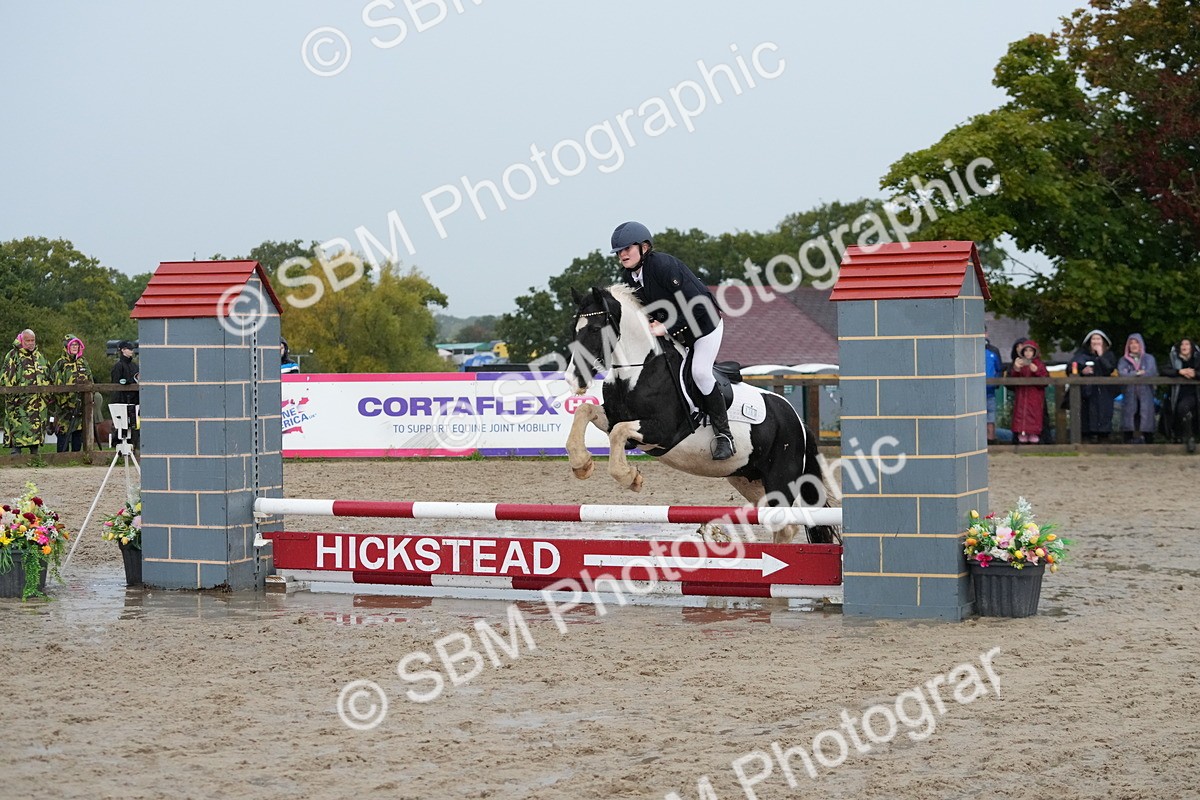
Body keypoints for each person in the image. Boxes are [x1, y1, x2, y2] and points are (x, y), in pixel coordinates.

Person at [611, 221, 733, 460]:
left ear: (644, 247)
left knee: (699, 372)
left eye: (627, 249)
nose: (622, 254)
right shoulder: (631, 275)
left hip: (704, 327)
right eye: (619, 251)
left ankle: (724, 435)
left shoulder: (664, 266)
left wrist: (665, 326)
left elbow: (698, 304)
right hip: (675, 332)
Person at [1, 329, 51, 455]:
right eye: (27, 340)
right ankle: (16, 455)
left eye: (32, 340)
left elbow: (49, 376)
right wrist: (13, 398)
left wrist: (48, 395)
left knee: (35, 432)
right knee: (19, 429)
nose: (30, 343)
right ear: (22, 340)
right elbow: (5, 378)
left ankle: (35, 454)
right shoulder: (13, 355)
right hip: (19, 404)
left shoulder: (40, 357)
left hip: (38, 404)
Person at [1069, 329, 1119, 443]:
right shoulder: (1081, 355)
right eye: (1093, 339)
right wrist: (1082, 371)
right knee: (1086, 418)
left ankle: (1104, 441)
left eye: (1098, 339)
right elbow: (1071, 367)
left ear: (1103, 342)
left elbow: (1109, 369)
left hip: (1104, 393)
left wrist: (1100, 356)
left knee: (1104, 417)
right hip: (1087, 393)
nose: (1096, 341)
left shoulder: (1109, 355)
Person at [51, 334, 93, 452]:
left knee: (78, 434)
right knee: (63, 434)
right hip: (64, 409)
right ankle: (62, 459)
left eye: (77, 345)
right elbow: (56, 385)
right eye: (72, 345)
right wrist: (64, 403)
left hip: (81, 407)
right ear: (67, 347)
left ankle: (77, 458)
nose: (75, 347)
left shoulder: (83, 362)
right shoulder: (60, 364)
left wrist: (89, 399)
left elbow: (90, 381)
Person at [1117, 332, 1158, 443]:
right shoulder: (1123, 360)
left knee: (1146, 417)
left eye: (1137, 342)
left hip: (1146, 393)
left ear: (1141, 344)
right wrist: (1137, 373)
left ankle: (1148, 442)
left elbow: (1151, 372)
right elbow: (1122, 374)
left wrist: (1133, 373)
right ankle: (1128, 442)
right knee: (1129, 417)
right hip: (1130, 393)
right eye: (1131, 343)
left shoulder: (1149, 359)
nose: (1134, 345)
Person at [1161, 337, 1199, 453]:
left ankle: (1190, 438)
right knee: (1175, 411)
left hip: (1194, 395)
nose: (1184, 346)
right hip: (1176, 395)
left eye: (1187, 344)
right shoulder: (1173, 359)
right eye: (1182, 344)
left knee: (1184, 408)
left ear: (1191, 347)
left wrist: (1194, 374)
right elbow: (1163, 370)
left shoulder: (1197, 359)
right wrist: (1179, 372)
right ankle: (1178, 437)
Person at [1009, 339, 1049, 443]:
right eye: (1025, 350)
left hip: (1035, 398)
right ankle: (1022, 436)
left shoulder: (1039, 364)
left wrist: (1037, 371)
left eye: (1030, 350)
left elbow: (1045, 380)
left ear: (1034, 352)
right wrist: (1016, 369)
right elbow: (1012, 381)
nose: (1028, 353)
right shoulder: (1019, 363)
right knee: (1021, 416)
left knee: (1034, 417)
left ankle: (1034, 437)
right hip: (1021, 397)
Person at [111, 340, 139, 448]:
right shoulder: (118, 366)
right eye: (129, 349)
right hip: (122, 401)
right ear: (123, 350)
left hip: (134, 400)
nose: (131, 351)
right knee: (122, 427)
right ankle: (119, 448)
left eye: (132, 349)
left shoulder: (135, 366)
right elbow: (116, 383)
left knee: (134, 427)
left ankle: (133, 448)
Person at [984, 331, 1003, 443]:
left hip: (990, 391)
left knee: (990, 417)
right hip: (973, 392)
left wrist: (996, 383)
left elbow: (999, 368)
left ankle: (991, 440)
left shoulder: (993, 351)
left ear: (986, 334)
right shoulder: (969, 349)